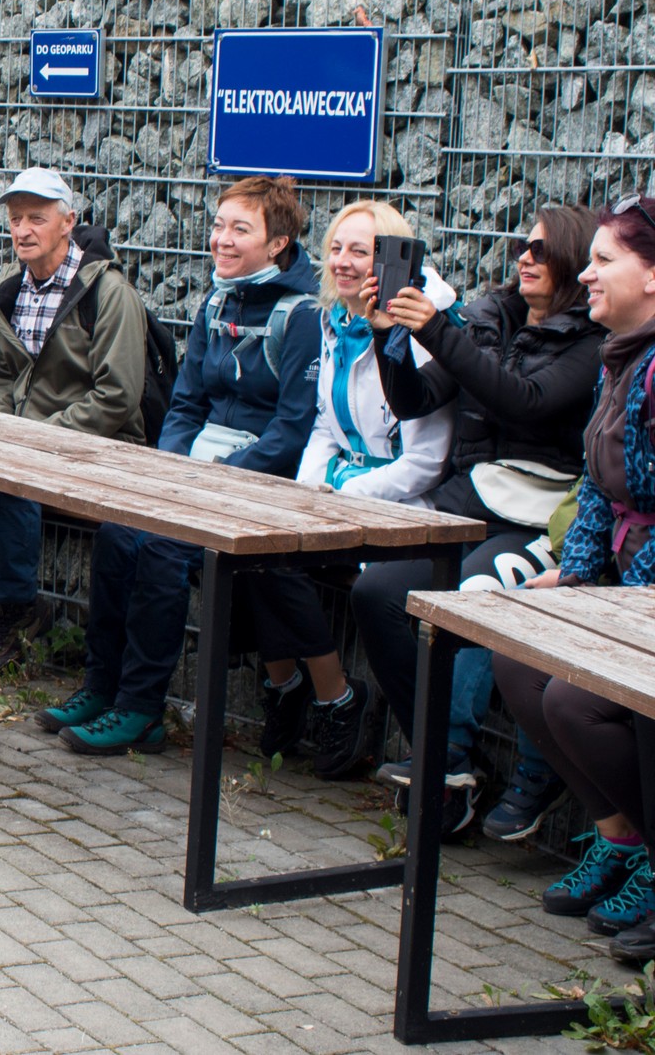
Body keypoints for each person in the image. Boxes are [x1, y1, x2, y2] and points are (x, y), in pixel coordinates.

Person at [41, 175, 319, 755]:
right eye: (219, 225)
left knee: (164, 550)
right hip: (194, 473)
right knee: (120, 534)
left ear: (278, 244)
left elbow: (291, 430)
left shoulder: (303, 316)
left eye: (240, 229)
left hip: (253, 483)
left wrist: (215, 477)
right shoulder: (216, 301)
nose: (222, 239)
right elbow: (186, 402)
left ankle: (142, 709)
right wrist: (170, 471)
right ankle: (102, 686)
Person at [356, 205, 601, 836]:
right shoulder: (494, 320)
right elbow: (415, 398)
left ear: (574, 261)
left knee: (468, 599)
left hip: (537, 518)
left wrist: (438, 329)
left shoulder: (593, 342)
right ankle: (442, 761)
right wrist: (388, 337)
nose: (524, 257)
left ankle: (450, 761)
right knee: (378, 591)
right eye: (523, 244)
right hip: (473, 504)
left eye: (542, 251)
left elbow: (526, 403)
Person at [494, 195, 655, 961]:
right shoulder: (622, 353)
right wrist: (580, 577)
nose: (583, 274)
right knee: (519, 649)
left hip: (648, 596)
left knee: (578, 693)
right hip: (624, 584)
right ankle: (620, 836)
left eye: (604, 261)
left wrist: (614, 606)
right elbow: (597, 487)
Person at [270, 201, 454, 773]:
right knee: (258, 548)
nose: (344, 262)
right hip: (343, 488)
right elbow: (326, 424)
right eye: (337, 248)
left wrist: (343, 500)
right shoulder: (337, 320)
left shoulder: (422, 330)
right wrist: (309, 492)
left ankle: (346, 707)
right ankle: (315, 694)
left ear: (394, 261)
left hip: (401, 501)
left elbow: (426, 463)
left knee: (285, 562)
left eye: (362, 251)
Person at [0, 168, 150, 662]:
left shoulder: (110, 294)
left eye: (37, 219)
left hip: (97, 443)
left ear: (68, 222)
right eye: (15, 218)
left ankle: (16, 607)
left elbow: (117, 397)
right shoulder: (9, 286)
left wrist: (35, 438)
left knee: (10, 479)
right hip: (22, 436)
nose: (22, 230)